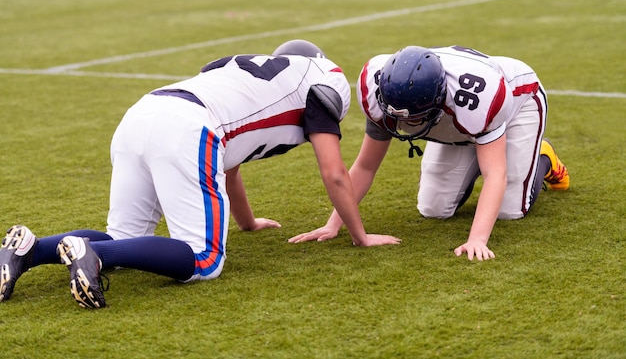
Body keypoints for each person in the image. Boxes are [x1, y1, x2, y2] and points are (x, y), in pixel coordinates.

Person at [0, 39, 401, 309]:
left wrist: (247, 222)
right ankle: (93, 254)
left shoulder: (243, 73)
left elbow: (229, 166)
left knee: (126, 240)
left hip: (141, 114)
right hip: (187, 127)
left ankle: (29, 251)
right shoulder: (320, 78)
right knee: (204, 259)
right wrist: (359, 236)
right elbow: (334, 172)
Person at [289, 45, 569, 260]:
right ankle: (476, 148)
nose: (405, 125)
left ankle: (544, 158)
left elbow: (495, 173)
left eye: (414, 119)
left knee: (509, 210)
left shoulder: (480, 100)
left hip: (517, 99)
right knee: (433, 209)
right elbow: (365, 166)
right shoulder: (378, 90)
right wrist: (333, 224)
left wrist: (477, 240)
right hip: (456, 121)